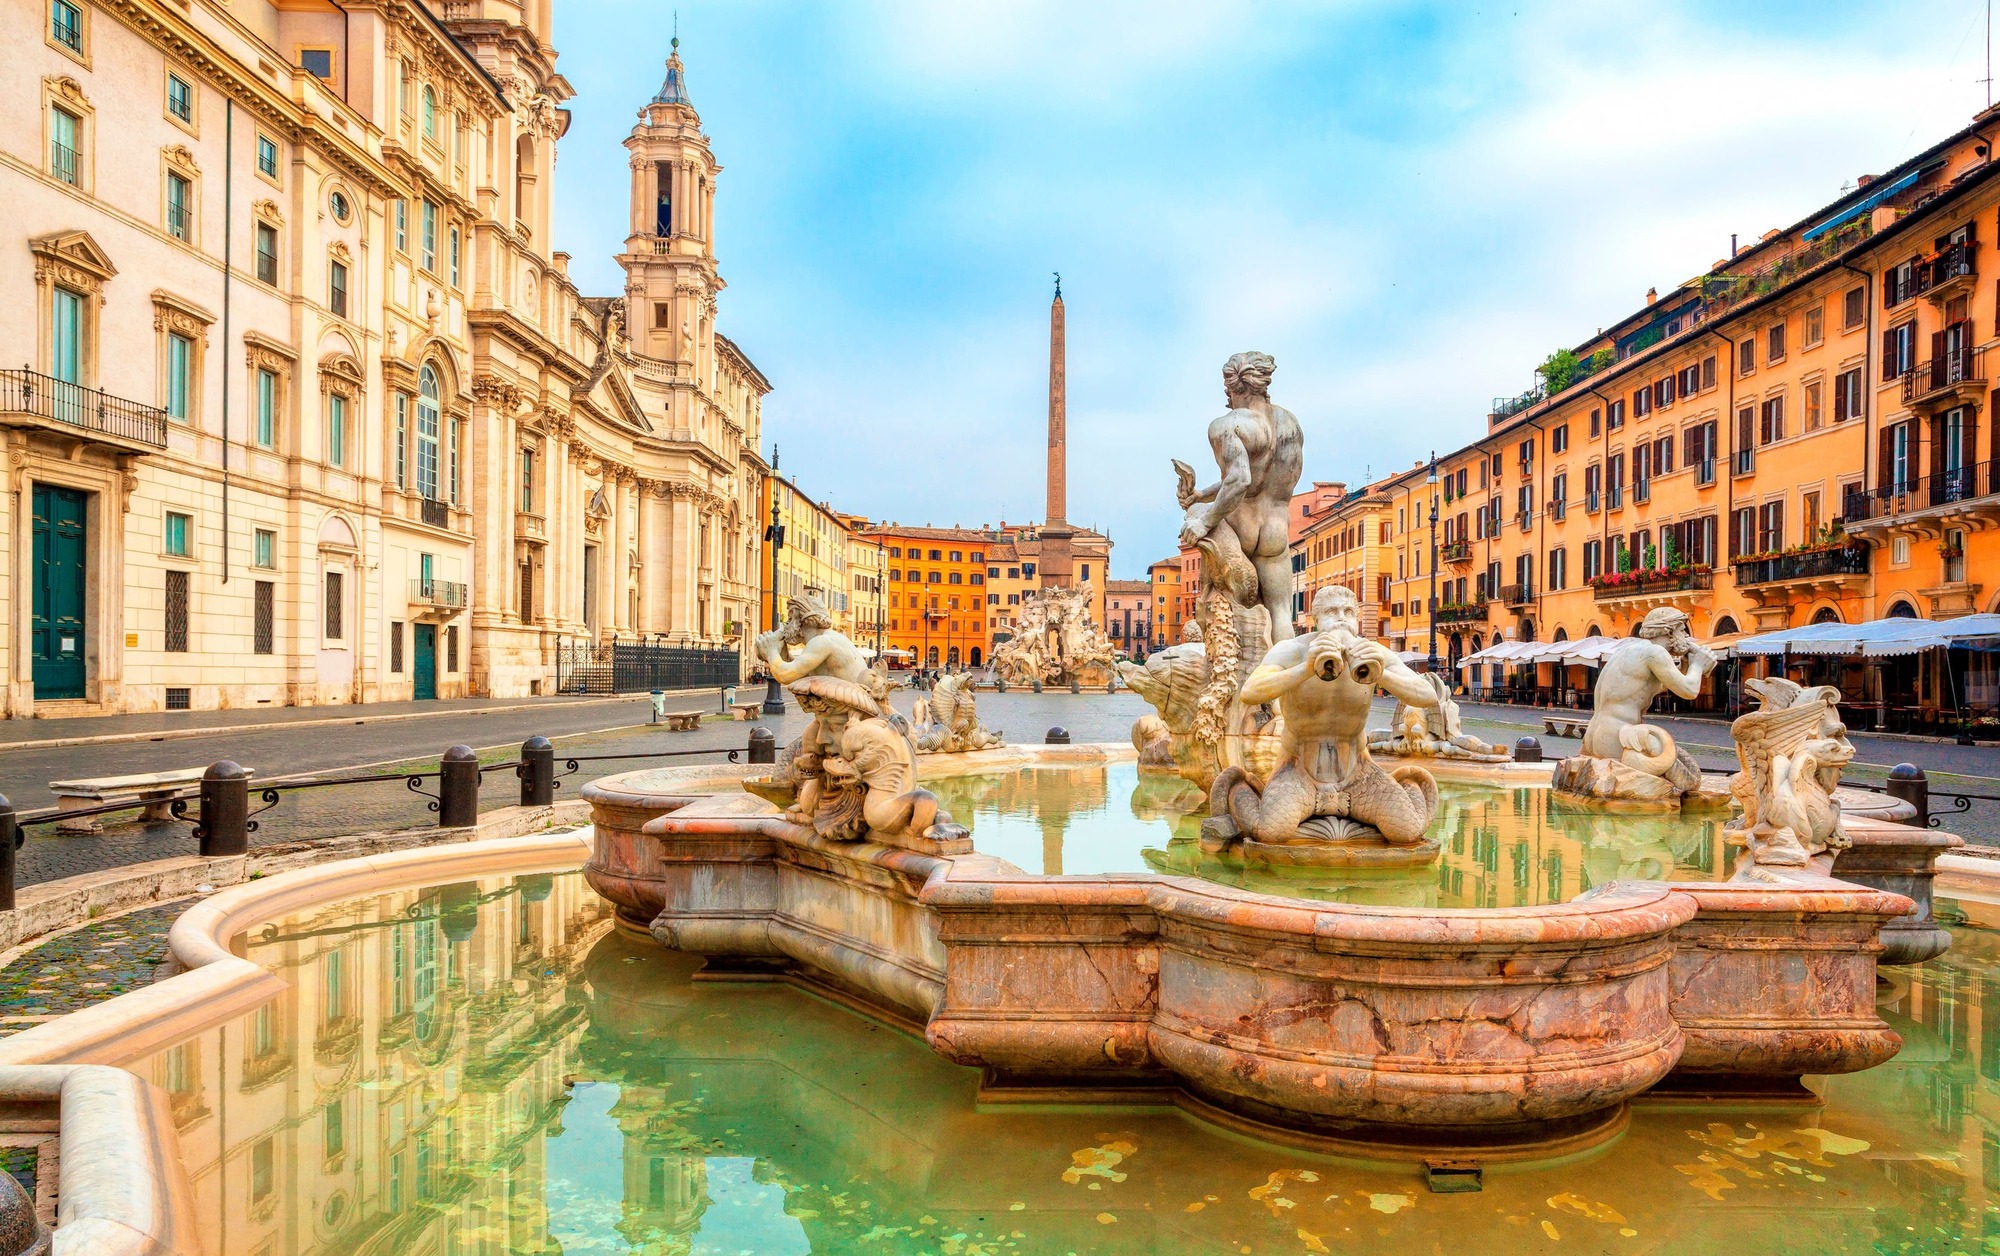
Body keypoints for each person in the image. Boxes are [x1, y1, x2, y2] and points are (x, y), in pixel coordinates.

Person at [1209, 586, 1439, 845]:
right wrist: (1306, 667)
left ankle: (1406, 786)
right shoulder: (1293, 650)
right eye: (1332, 611)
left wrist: (1381, 673)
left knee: (1407, 832)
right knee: (1272, 832)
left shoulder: (1374, 653)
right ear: (1315, 619)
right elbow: (1250, 692)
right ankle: (1242, 787)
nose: (1341, 618)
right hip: (1299, 771)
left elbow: (1428, 696)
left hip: (1358, 773)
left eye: (1349, 611)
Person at [1176, 352, 1305, 639]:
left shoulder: (1227, 425)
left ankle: (1229, 677)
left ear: (1232, 387)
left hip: (1240, 527)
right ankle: (1280, 681)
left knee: (1219, 610)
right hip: (1275, 528)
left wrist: (1204, 519)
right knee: (1281, 613)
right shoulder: (1290, 425)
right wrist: (1201, 494)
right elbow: (1261, 479)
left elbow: (1240, 479)